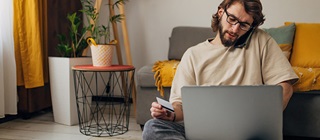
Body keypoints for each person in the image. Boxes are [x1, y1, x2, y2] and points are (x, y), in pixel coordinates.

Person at [142, 0, 299, 139]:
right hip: (202, 133)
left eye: (244, 25)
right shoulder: (193, 55)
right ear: (221, 12)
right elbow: (180, 105)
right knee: (152, 127)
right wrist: (171, 114)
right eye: (232, 19)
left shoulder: (261, 40)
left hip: (249, 134)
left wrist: (263, 123)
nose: (235, 29)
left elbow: (284, 86)